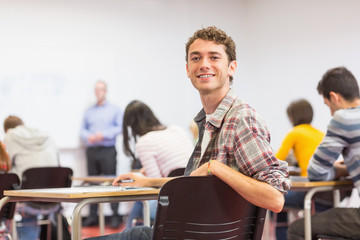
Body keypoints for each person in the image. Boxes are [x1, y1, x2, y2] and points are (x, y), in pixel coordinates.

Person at [85, 26, 291, 240]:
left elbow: (274, 198)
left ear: (232, 67)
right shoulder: (209, 121)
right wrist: (150, 182)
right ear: (187, 69)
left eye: (214, 57)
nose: (204, 64)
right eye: (196, 58)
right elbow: (195, 182)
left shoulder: (241, 119)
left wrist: (214, 167)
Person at [288, 67, 360, 240]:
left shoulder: (344, 118)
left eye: (328, 106)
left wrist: (340, 170)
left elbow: (315, 173)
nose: (331, 112)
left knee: (298, 228)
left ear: (334, 97)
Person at [122, 100, 193, 229]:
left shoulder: (144, 142)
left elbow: (156, 185)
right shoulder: (177, 130)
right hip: (194, 199)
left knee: (140, 201)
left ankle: (127, 232)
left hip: (171, 206)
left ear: (131, 126)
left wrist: (144, 178)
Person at [3, 115, 59, 240]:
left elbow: (6, 168)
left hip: (28, 200)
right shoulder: (46, 135)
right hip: (55, 198)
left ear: (6, 130)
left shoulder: (10, 136)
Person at [275, 99, 325, 239]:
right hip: (322, 191)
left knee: (273, 198)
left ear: (292, 117)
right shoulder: (320, 133)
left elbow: (275, 161)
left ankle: (281, 236)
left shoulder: (295, 133)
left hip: (306, 191)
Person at [80, 80, 123, 228]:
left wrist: (102, 135)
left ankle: (115, 216)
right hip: (92, 150)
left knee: (113, 182)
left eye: (101, 90)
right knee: (92, 183)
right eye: (96, 90)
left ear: (105, 91)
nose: (99, 92)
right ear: (94, 92)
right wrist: (88, 137)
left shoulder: (114, 109)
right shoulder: (89, 111)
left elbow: (119, 128)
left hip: (108, 150)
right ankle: (92, 216)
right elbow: (82, 130)